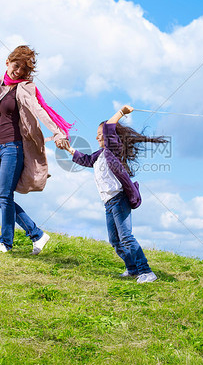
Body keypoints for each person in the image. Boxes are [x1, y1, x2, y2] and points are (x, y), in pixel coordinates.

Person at [0, 45, 71, 254]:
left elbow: (39, 110)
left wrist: (58, 132)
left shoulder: (25, 88)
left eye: (24, 70)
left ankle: (5, 242)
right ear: (7, 63)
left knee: (4, 195)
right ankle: (37, 234)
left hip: (15, 148)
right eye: (16, 66)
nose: (18, 72)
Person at [62, 105, 167, 283]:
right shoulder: (100, 155)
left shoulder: (113, 149)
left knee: (126, 237)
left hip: (119, 199)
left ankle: (147, 271)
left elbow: (110, 127)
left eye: (99, 133)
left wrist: (121, 112)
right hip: (108, 203)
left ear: (110, 136)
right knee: (115, 241)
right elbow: (86, 160)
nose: (96, 137)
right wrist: (69, 149)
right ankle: (132, 269)